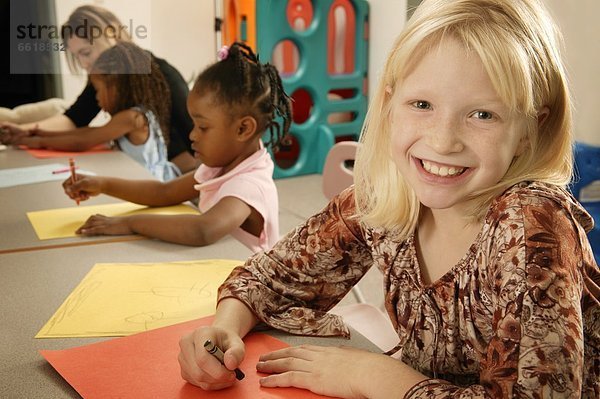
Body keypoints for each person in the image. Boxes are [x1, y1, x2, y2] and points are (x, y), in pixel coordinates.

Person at [177, 0, 600, 398]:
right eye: (422, 104)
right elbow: (272, 277)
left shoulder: (530, 225)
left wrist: (373, 375)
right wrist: (224, 329)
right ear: (389, 103)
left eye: (482, 114)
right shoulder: (387, 194)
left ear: (530, 129)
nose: (443, 140)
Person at [62, 42, 292, 252]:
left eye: (203, 127)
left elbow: (203, 230)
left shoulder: (249, 184)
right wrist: (102, 184)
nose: (192, 135)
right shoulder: (224, 165)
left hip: (253, 291)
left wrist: (129, 223)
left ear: (243, 129)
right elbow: (165, 192)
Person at [0, 5, 196, 173]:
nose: (84, 64)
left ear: (111, 34)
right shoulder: (104, 78)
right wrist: (25, 132)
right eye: (77, 57)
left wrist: (35, 139)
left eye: (86, 53)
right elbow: (75, 119)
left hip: (174, 170)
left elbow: (194, 136)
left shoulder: (158, 78)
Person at [9, 42, 180, 181]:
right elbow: (89, 132)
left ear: (117, 87)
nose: (96, 98)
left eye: (98, 90)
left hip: (153, 184)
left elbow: (81, 141)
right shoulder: (133, 114)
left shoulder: (131, 117)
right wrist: (41, 134)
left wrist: (38, 142)